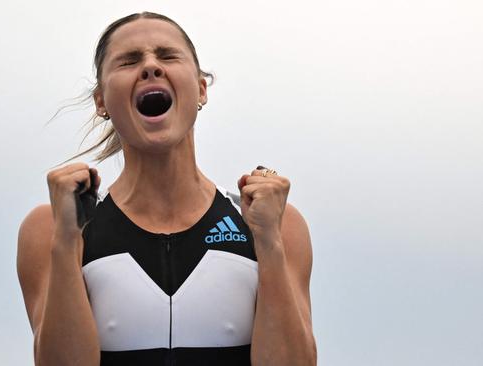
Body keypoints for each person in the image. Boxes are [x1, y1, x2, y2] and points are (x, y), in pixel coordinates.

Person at [17, 12, 317, 366]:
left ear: (201, 88)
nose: (150, 67)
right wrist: (66, 242)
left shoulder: (272, 223)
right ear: (101, 102)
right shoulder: (54, 227)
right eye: (129, 61)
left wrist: (269, 243)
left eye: (167, 55)